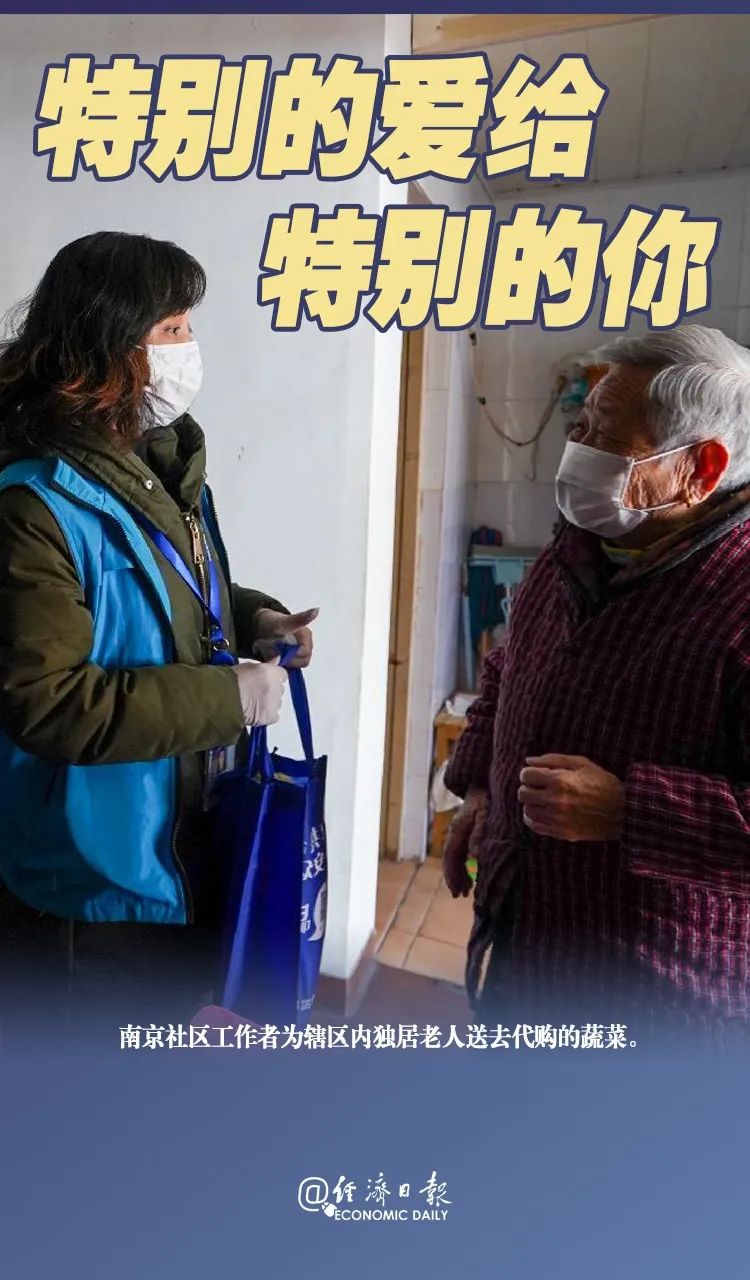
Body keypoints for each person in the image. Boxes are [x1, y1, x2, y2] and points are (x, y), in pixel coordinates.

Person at [0, 231, 317, 1039]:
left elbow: (175, 593)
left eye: (187, 324)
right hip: (92, 882)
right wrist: (227, 699)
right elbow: (48, 702)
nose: (189, 346)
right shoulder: (33, 503)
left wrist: (256, 618)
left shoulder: (163, 464)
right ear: (106, 341)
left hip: (178, 844)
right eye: (172, 327)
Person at [444, 325, 750, 1036]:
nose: (576, 450)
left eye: (604, 435)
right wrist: (481, 787)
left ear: (701, 468)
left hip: (656, 998)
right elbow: (510, 665)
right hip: (523, 945)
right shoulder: (577, 548)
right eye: (579, 426)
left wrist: (630, 811)